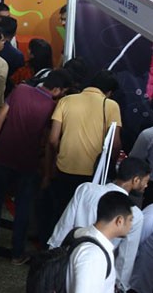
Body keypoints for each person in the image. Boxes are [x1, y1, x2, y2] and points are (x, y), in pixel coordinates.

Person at [0, 69, 73, 264]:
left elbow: (0, 117)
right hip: (28, 161)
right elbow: (49, 140)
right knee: (23, 207)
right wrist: (47, 173)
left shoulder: (21, 90)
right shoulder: (52, 106)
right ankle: (17, 254)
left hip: (4, 154)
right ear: (57, 89)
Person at [49, 157, 148, 293]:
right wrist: (120, 287)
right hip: (97, 271)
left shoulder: (86, 189)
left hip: (68, 258)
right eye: (146, 181)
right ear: (136, 180)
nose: (146, 186)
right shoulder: (134, 214)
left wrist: (53, 250)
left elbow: (65, 224)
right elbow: (126, 258)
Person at [46, 69, 123, 231]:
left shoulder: (66, 100)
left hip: (64, 168)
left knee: (59, 212)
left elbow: (52, 139)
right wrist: (108, 169)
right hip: (92, 173)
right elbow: (115, 144)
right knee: (81, 219)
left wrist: (62, 153)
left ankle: (51, 249)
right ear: (109, 92)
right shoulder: (111, 106)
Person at [66, 191, 135, 293]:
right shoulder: (93, 256)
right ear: (119, 220)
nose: (131, 225)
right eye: (130, 220)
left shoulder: (84, 233)